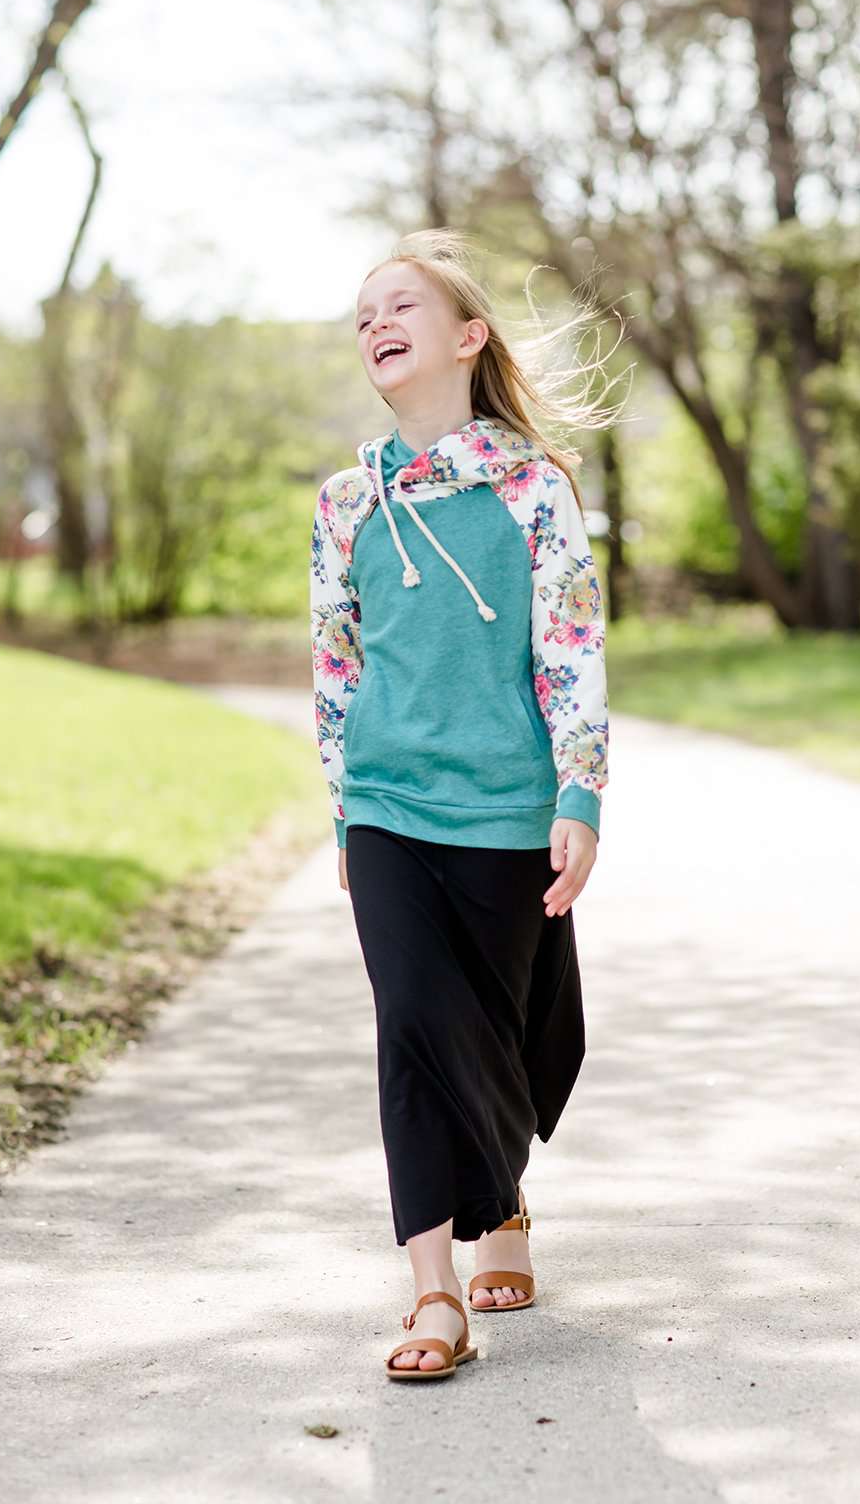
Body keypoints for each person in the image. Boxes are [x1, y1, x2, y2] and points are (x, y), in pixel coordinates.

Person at [309, 228, 630, 1381]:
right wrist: (345, 812)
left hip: (506, 806)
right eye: (363, 316)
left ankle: (506, 1208)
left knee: (498, 1035)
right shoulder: (349, 501)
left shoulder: (534, 492)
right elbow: (335, 664)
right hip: (389, 801)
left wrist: (579, 793)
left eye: (400, 305)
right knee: (413, 1022)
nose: (376, 324)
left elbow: (571, 648)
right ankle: (433, 1294)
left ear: (467, 336)